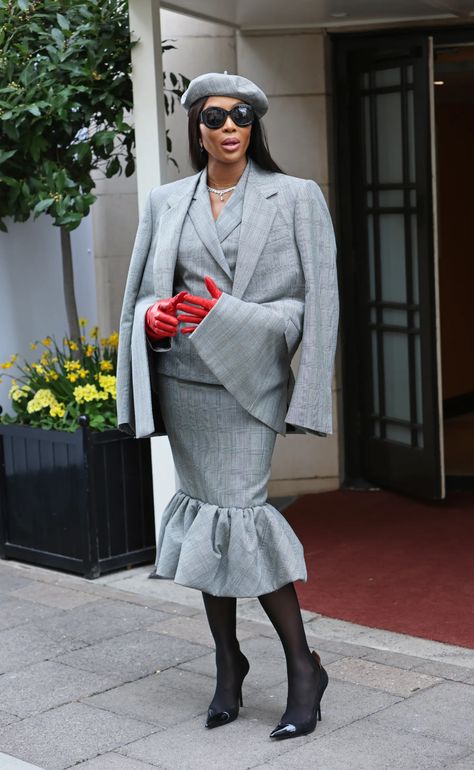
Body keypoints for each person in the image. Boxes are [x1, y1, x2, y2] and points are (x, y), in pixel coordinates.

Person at [116, 72, 339, 740]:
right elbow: (141, 297)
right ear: (198, 128)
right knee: (209, 517)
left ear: (255, 124)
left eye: (241, 115)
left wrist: (230, 315)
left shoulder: (296, 197)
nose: (228, 128)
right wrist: (153, 319)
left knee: (238, 515)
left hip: (248, 388)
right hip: (185, 384)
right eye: (214, 117)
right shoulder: (165, 202)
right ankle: (228, 664)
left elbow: (313, 305)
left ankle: (303, 668)